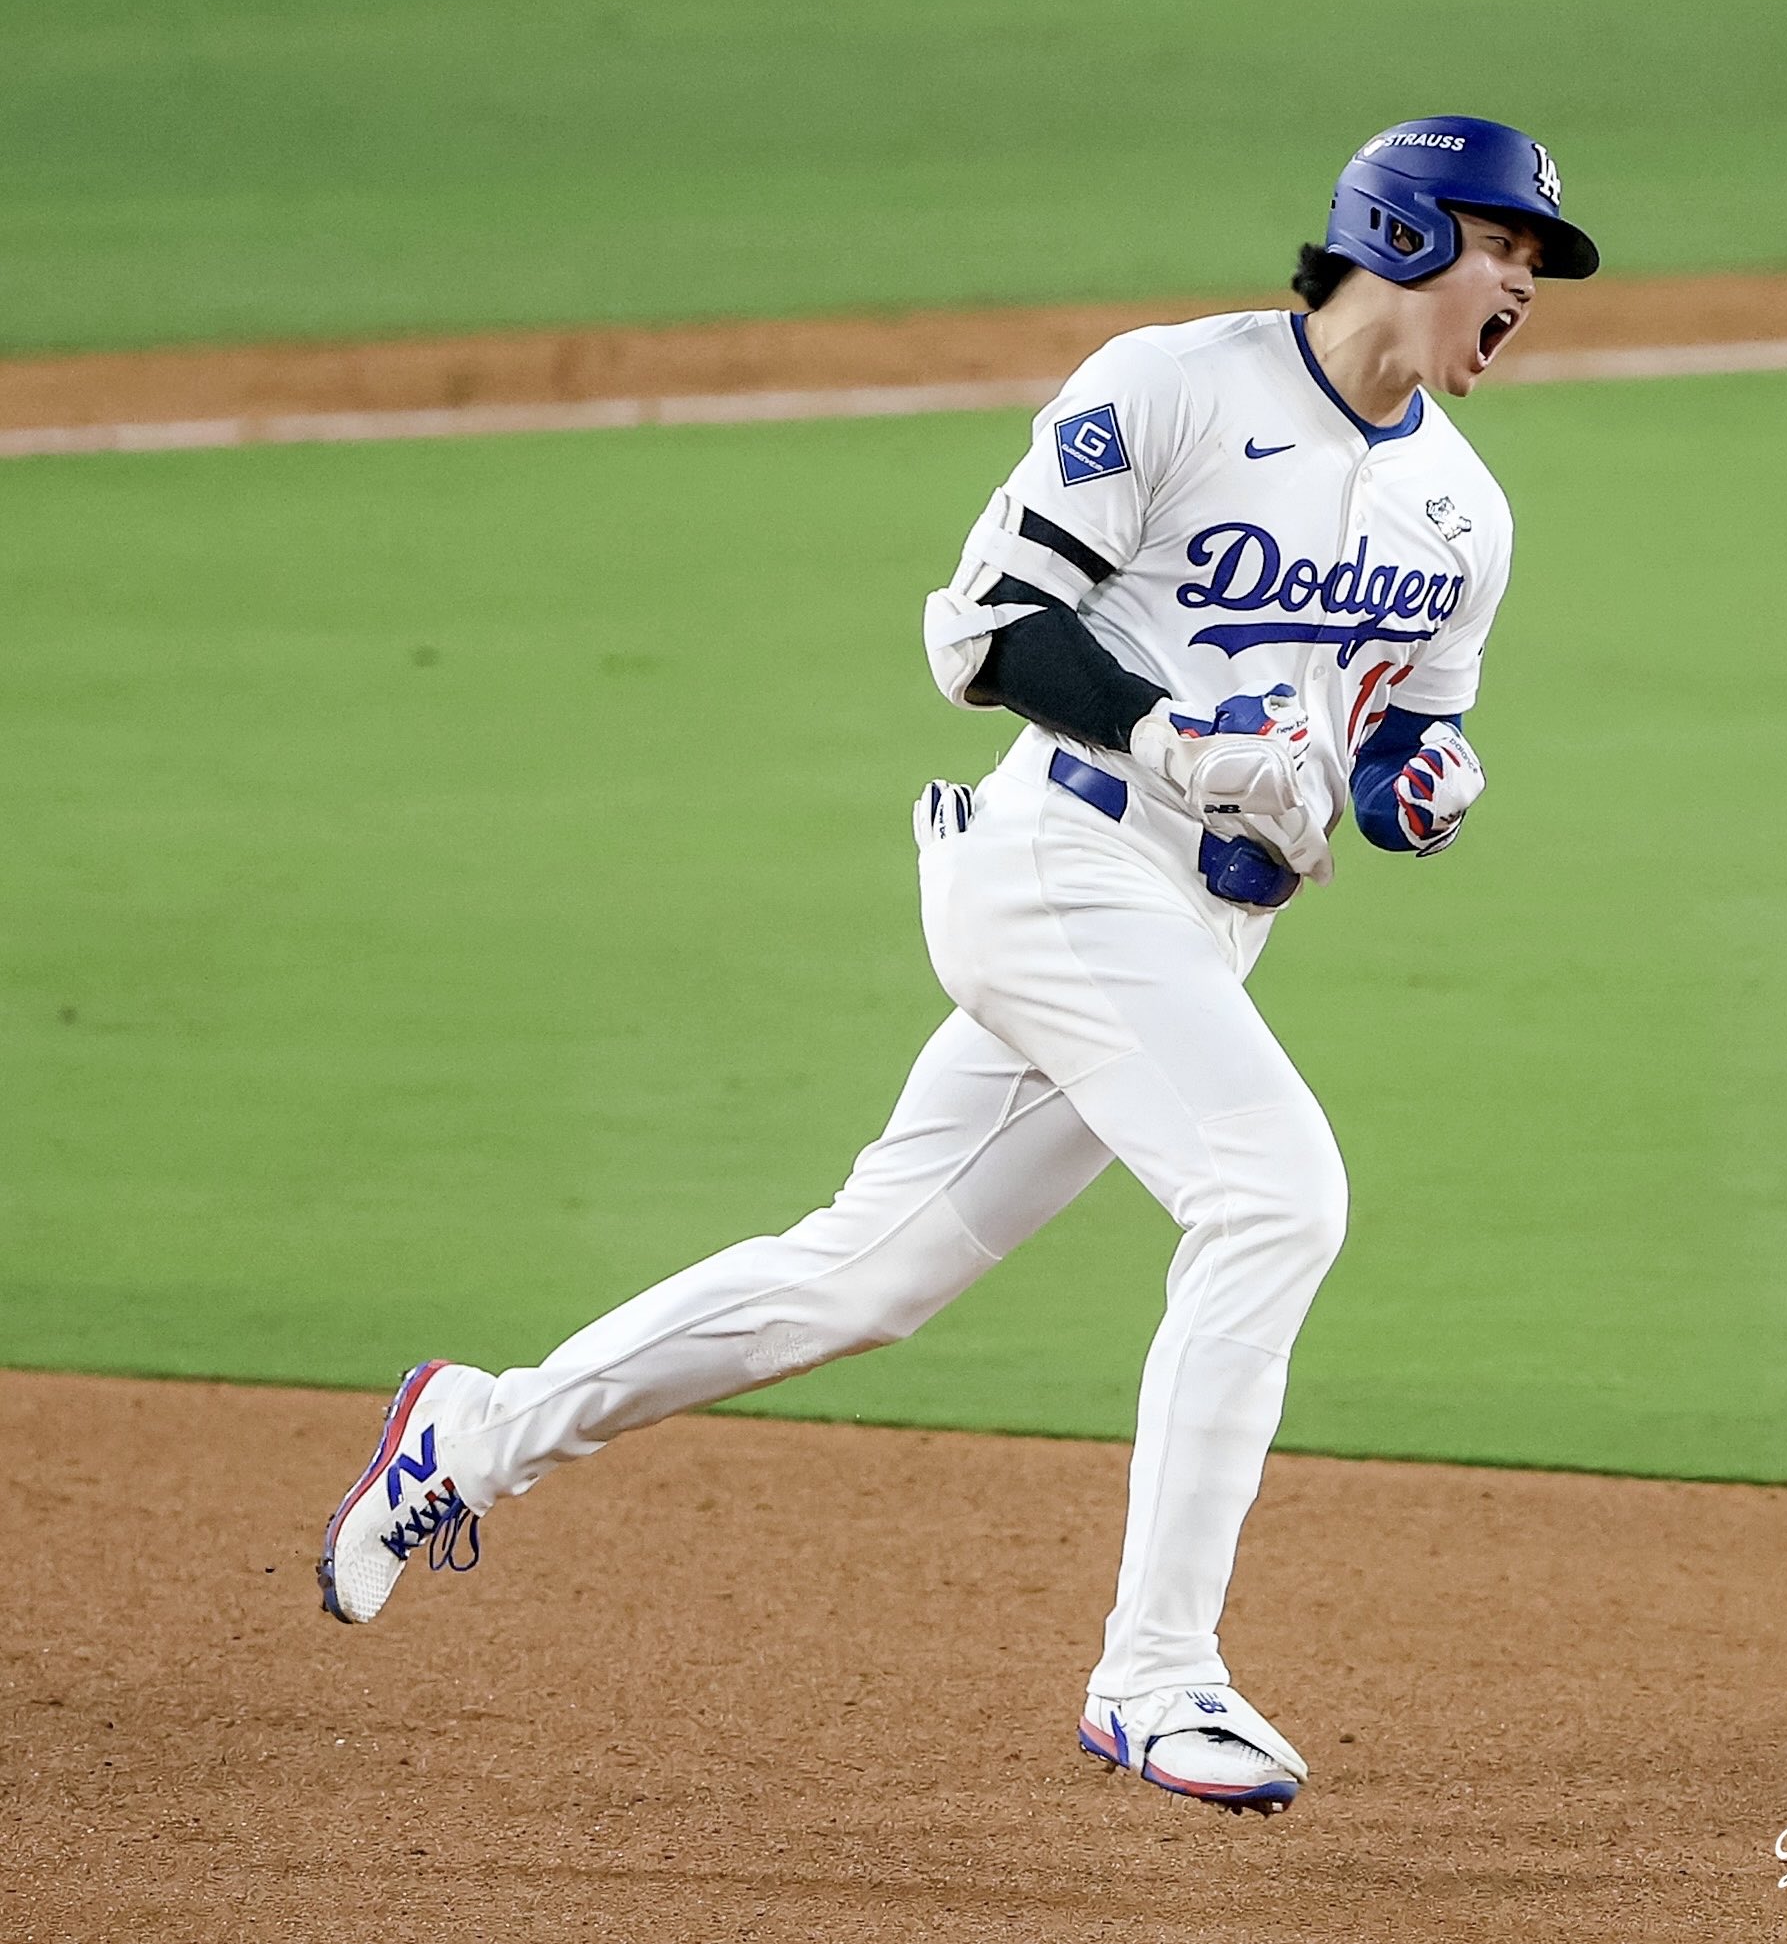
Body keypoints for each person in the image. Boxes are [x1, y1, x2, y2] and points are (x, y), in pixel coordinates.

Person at [318, 116, 1599, 1817]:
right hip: (1059, 864)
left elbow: (1398, 737)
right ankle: (1155, 1674)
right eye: (1503, 245)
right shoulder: (1172, 387)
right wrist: (1171, 736)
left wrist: (1418, 784)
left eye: (1536, 261)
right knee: (1275, 1196)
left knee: (863, 1277)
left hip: (1200, 934)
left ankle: (476, 1430)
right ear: (1404, 233)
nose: (1524, 284)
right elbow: (987, 626)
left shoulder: (1463, 510)